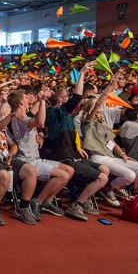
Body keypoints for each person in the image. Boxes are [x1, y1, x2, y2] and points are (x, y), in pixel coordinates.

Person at [45, 62, 110, 221]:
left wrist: (77, 146)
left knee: (105, 170)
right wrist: (81, 74)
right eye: (66, 95)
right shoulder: (54, 113)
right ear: (61, 100)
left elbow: (91, 101)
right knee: (102, 177)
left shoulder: (66, 115)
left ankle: (82, 197)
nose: (69, 97)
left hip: (73, 152)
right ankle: (77, 204)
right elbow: (77, 98)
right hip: (63, 157)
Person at [8, 88, 74, 220]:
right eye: (26, 97)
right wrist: (43, 101)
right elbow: (40, 122)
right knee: (63, 175)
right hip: (27, 160)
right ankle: (37, 202)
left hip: (36, 158)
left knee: (70, 170)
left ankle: (47, 201)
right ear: (21, 102)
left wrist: (40, 99)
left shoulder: (23, 115)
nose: (28, 98)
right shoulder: (20, 118)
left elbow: (33, 116)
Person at [80, 79, 138, 205]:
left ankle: (114, 188)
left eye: (99, 104)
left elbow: (111, 141)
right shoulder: (87, 121)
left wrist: (123, 155)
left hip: (109, 156)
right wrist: (110, 86)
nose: (100, 106)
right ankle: (107, 190)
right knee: (130, 175)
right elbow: (99, 102)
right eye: (97, 105)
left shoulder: (104, 123)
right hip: (97, 157)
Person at [0, 95, 39, 225]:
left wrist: (12, 153)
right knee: (4, 175)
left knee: (31, 171)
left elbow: (13, 144)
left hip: (5, 158)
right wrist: (10, 115)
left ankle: (24, 206)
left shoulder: (2, 127)